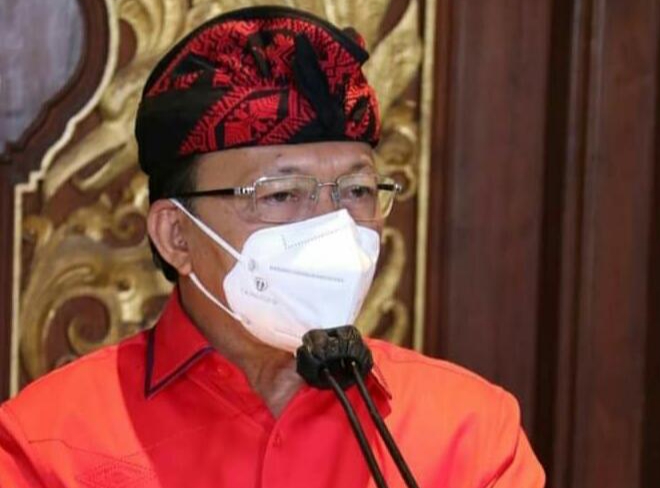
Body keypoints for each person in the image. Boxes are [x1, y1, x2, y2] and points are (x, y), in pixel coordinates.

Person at [0, 6, 545, 487]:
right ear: (176, 235)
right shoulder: (48, 446)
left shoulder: (469, 436)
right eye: (282, 194)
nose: (333, 225)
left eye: (357, 191)